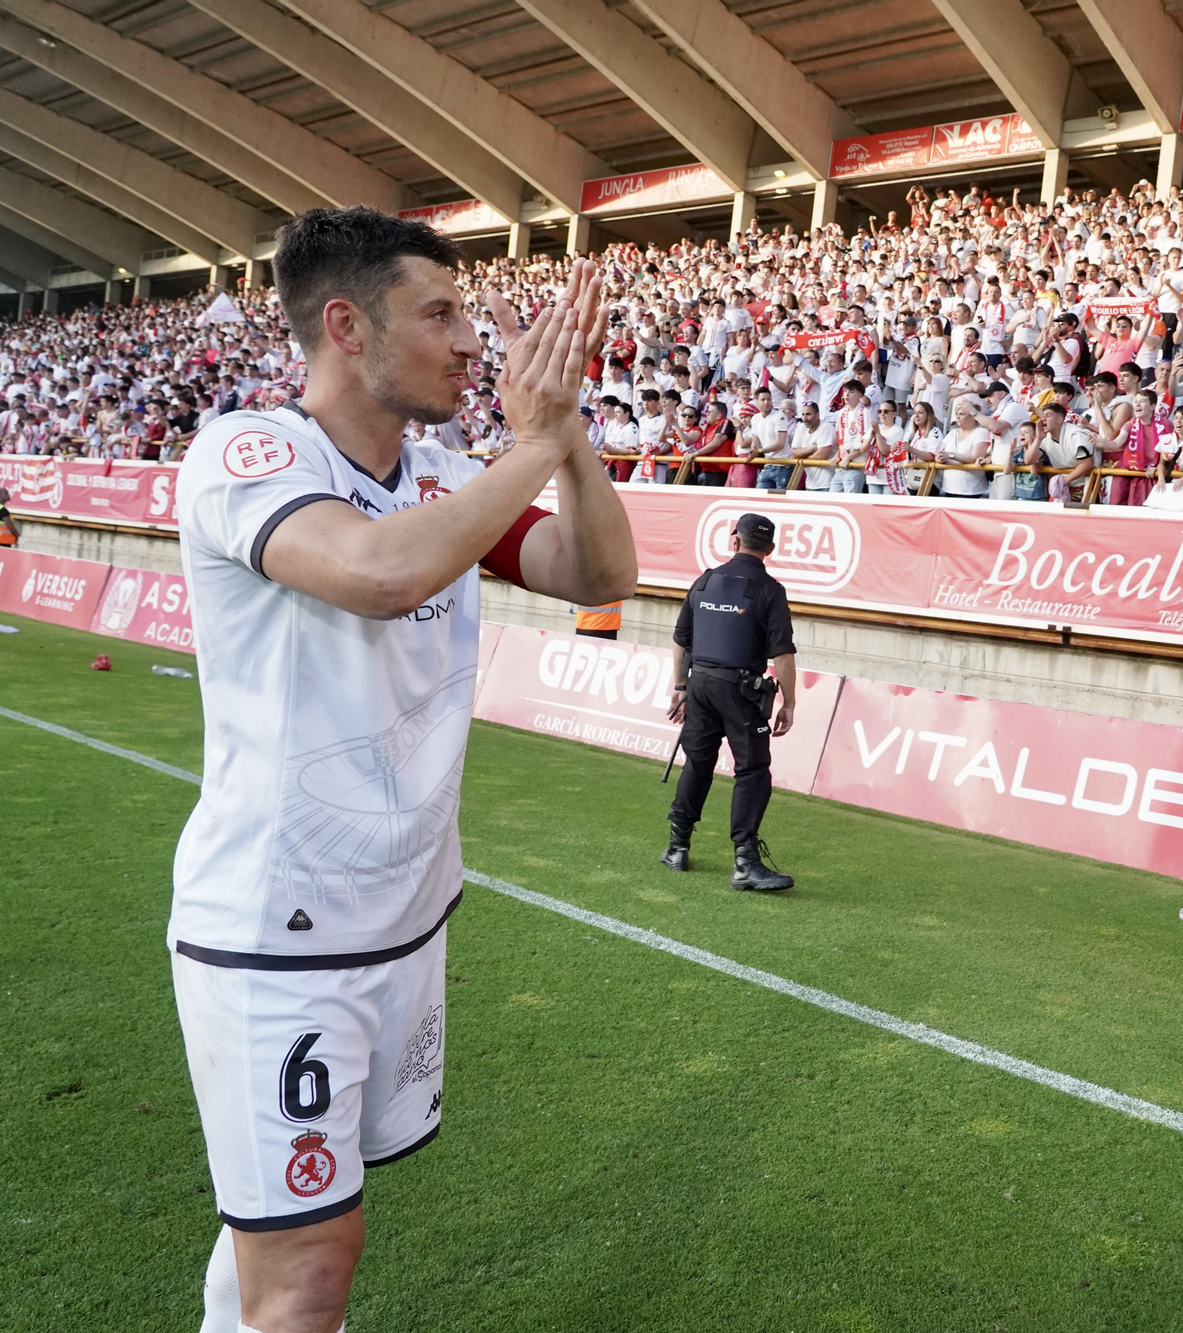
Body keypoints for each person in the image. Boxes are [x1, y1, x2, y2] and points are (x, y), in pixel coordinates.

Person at [167, 208, 637, 1333]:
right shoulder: (247, 452)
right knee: (310, 1268)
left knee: (280, 1238)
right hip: (278, 932)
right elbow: (376, 573)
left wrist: (565, 434)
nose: (472, 340)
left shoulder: (440, 476)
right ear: (347, 326)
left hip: (408, 921)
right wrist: (531, 445)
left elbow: (597, 573)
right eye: (440, 313)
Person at [664, 512, 797, 892]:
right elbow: (783, 654)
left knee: (697, 763)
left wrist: (681, 686)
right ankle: (745, 863)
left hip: (701, 686)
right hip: (741, 692)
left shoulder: (705, 580)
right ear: (770, 549)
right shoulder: (770, 590)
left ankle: (677, 847)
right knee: (752, 771)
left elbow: (681, 640)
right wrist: (789, 702)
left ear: (734, 541)